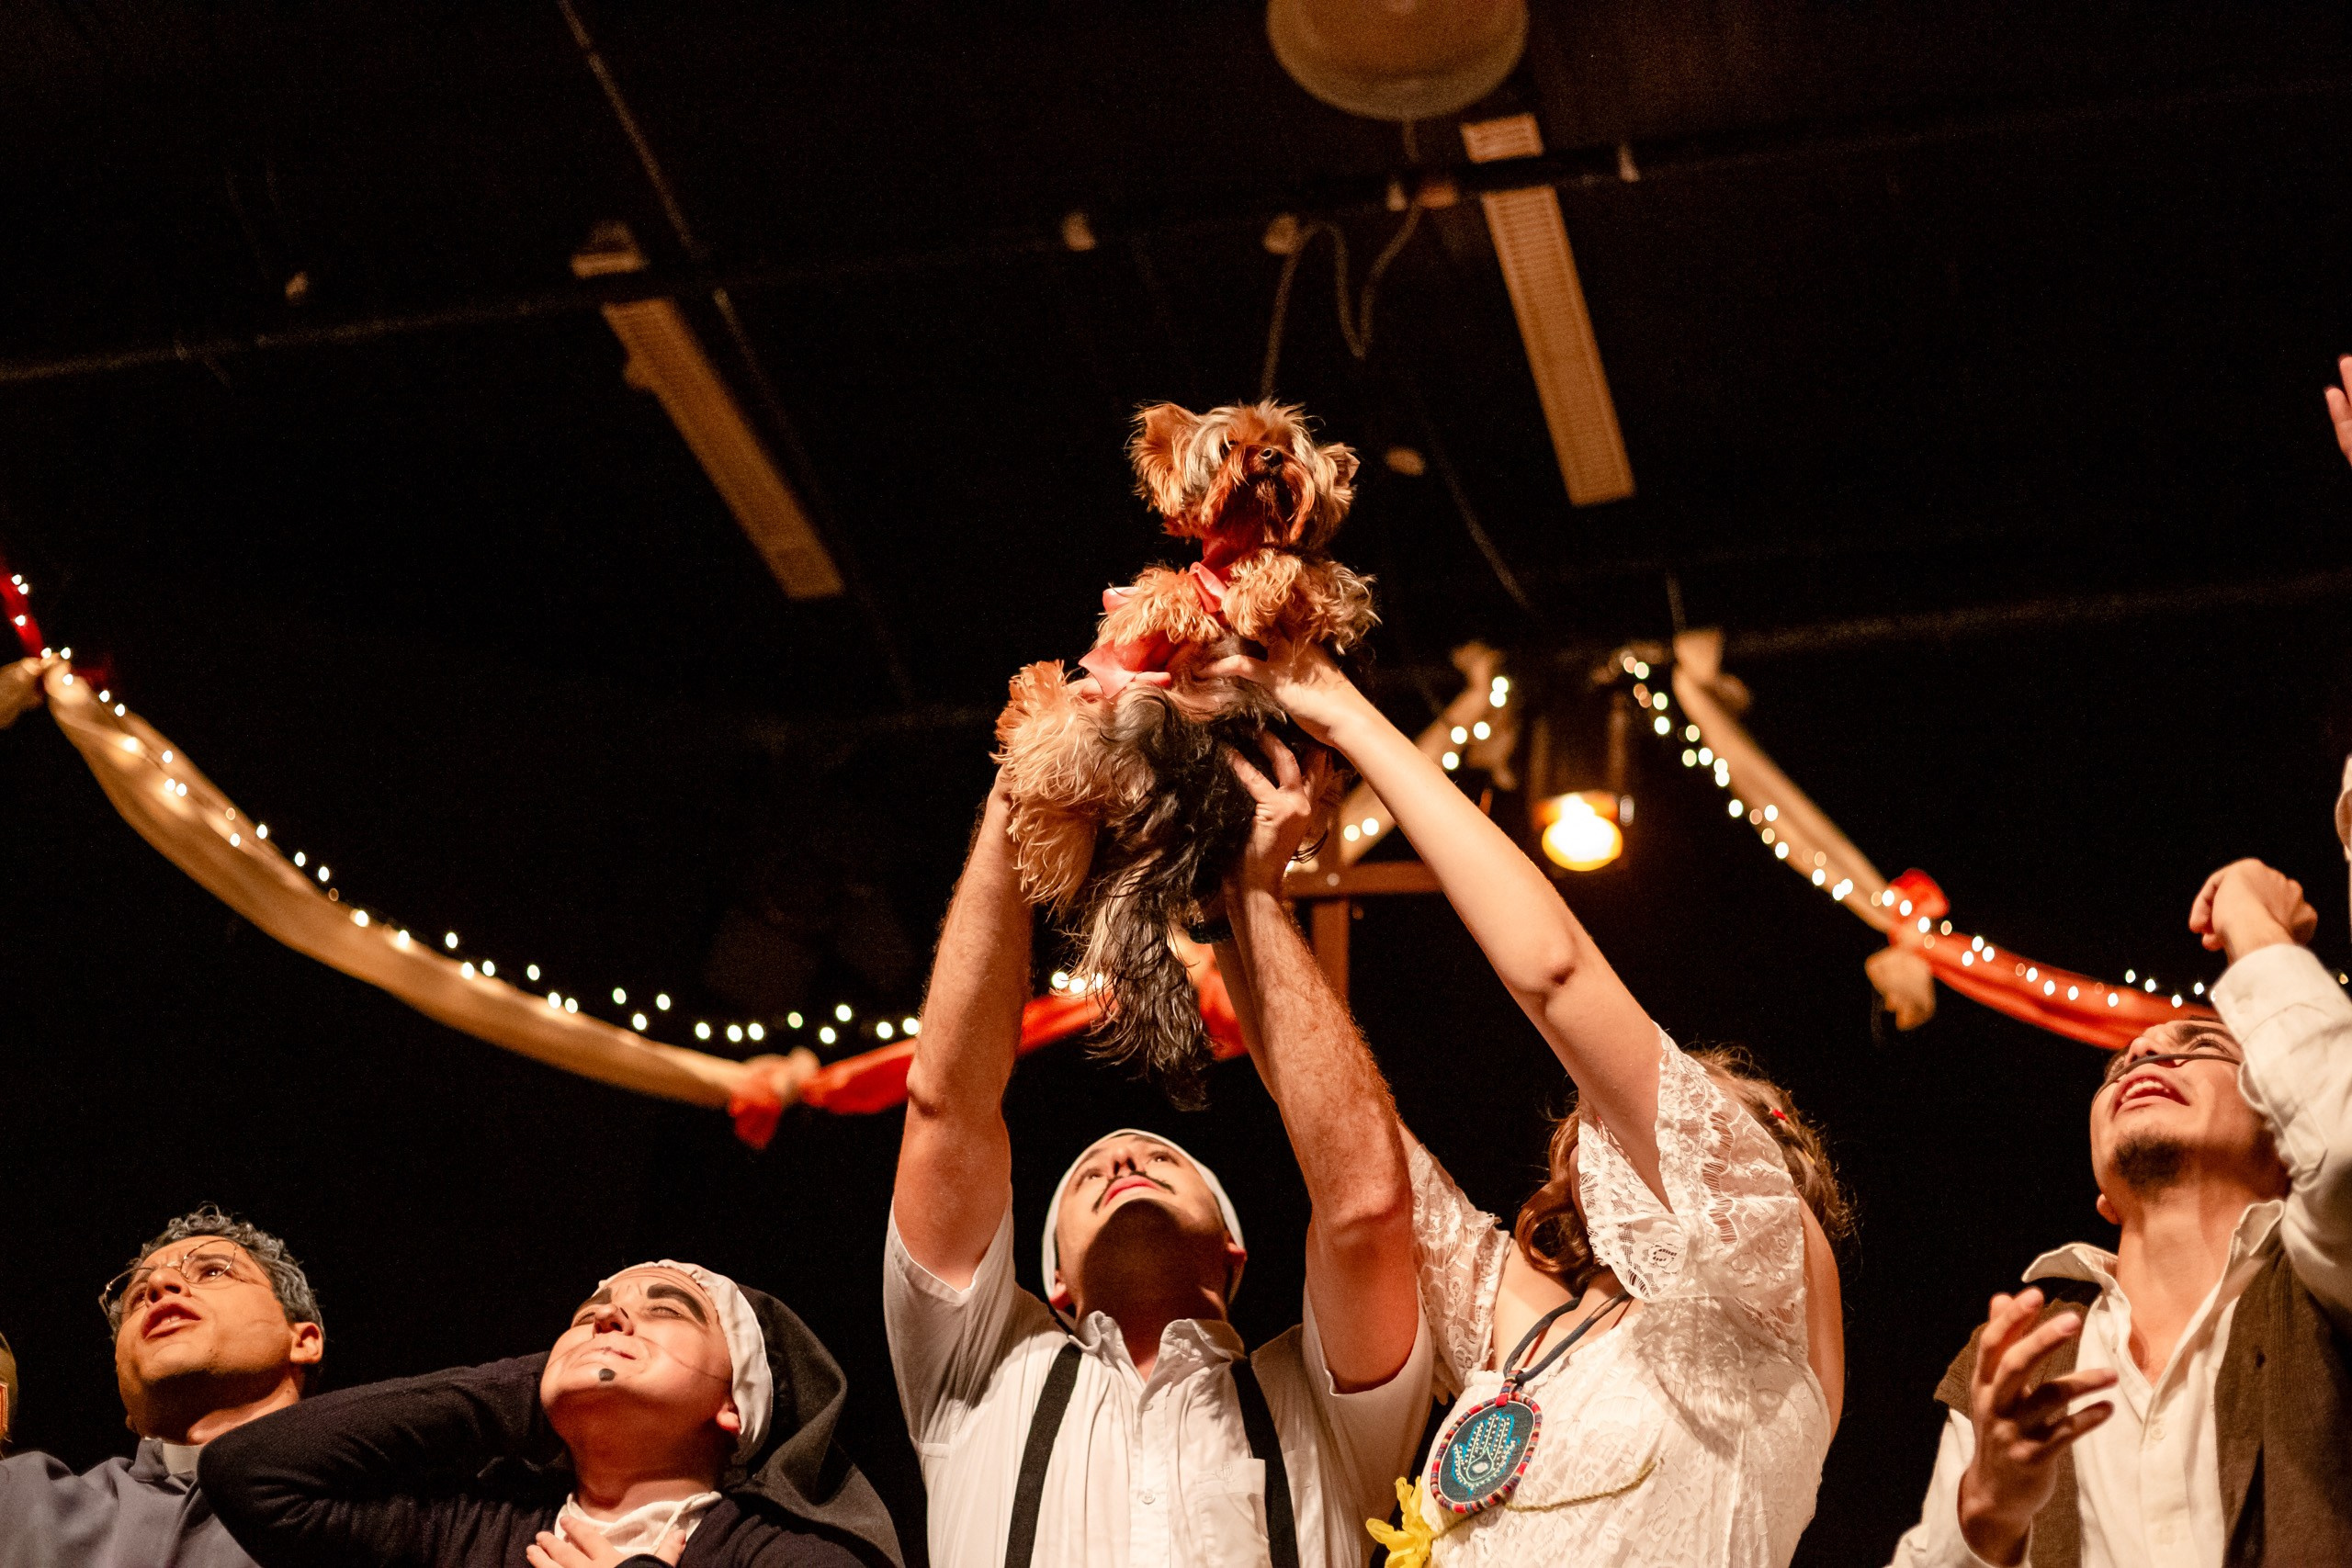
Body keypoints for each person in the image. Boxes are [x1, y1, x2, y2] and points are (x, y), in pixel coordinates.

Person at [1217, 638, 1850, 1568]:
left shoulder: (1768, 1272)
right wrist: (1236, 886)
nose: (1657, 1101)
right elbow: (1360, 1150)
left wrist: (1340, 708)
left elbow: (1554, 975)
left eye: (1706, 1106)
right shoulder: (1541, 1329)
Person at [883, 763, 1431, 1567]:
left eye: (1163, 1157)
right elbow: (947, 1109)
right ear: (1054, 1283)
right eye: (1088, 1172)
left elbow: (1366, 1208)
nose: (1127, 1155)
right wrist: (1016, 800)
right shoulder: (980, 1379)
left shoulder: (1321, 1408)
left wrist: (1248, 888)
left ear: (1234, 1251)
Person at [1886, 856, 2352, 1566]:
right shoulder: (2017, 1358)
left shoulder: (2328, 1283)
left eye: (2199, 1046)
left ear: (2286, 1132)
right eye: (2121, 1067)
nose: (2141, 1050)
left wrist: (2255, 924)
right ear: (2103, 1192)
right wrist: (1987, 1508)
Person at [200, 1259, 901, 1568]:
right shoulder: (473, 1531)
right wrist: (534, 1389)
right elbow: (252, 1471)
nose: (611, 1316)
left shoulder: (781, 1556)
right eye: (588, 1315)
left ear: (734, 1405)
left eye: (663, 1310)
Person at [0, 1205, 324, 1568]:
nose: (158, 1285)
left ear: (303, 1341)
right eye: (138, 1296)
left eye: (214, 1271)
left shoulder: (380, 1490)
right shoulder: (18, 1499)